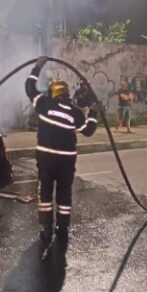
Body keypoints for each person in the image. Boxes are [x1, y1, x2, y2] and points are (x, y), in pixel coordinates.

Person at [26, 57, 99, 243]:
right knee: (64, 193)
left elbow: (29, 88)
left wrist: (37, 67)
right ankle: (63, 228)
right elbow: (89, 131)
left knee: (45, 194)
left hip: (47, 160)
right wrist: (93, 113)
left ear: (52, 93)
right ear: (66, 94)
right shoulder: (75, 112)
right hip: (67, 162)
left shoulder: (44, 104)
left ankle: (46, 228)